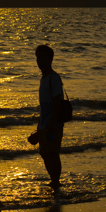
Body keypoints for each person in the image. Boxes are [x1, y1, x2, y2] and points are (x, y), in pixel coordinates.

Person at [28, 44, 65, 190]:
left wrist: (52, 121)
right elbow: (44, 105)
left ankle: (56, 181)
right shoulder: (43, 78)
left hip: (53, 123)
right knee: (44, 152)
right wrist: (40, 124)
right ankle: (54, 180)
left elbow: (58, 100)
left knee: (53, 153)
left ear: (50, 59)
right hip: (45, 123)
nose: (40, 61)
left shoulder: (53, 78)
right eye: (38, 58)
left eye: (43, 58)